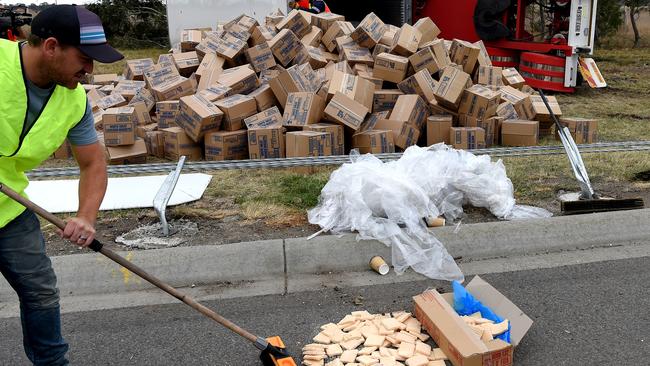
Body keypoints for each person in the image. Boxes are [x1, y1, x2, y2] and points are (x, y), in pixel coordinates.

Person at [0, 5, 123, 365]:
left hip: (9, 209)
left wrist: (86, 216)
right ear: (51, 46)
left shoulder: (73, 100)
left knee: (40, 292)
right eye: (85, 59)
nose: (90, 71)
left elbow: (93, 162)